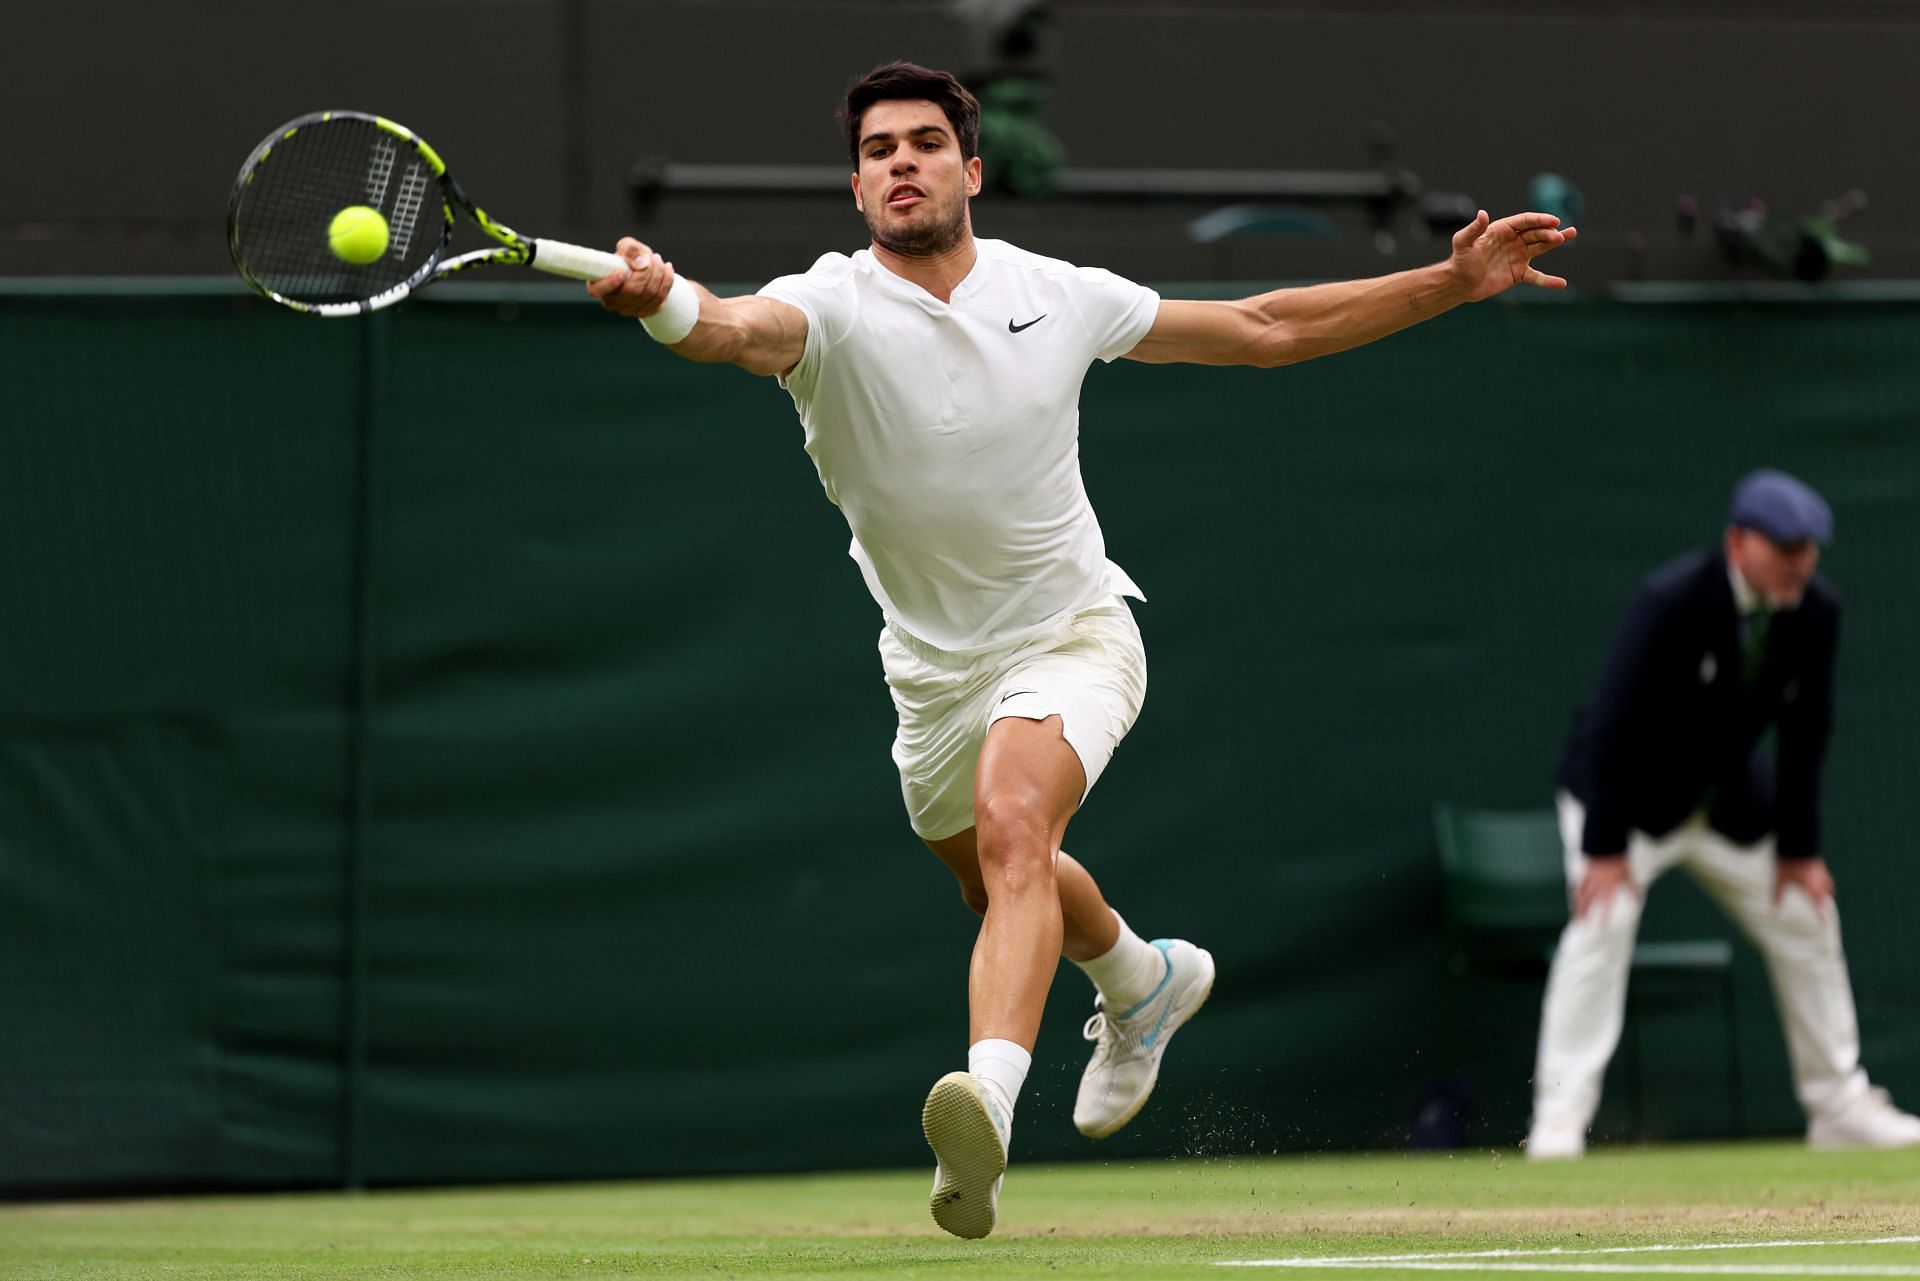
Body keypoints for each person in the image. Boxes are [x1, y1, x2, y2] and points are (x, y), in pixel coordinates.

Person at [590, 61, 1576, 1236]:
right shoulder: (834, 305)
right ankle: (1139, 980)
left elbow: (1264, 327)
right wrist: (663, 301)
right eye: (876, 151)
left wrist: (1451, 283)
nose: (900, 161)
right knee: (992, 878)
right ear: (856, 190)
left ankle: (988, 1120)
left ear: (971, 167)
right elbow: (738, 332)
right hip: (931, 673)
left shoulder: (1056, 293)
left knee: (1016, 827)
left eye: (922, 142)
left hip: (1073, 635)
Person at [1528, 470, 1920, 1159]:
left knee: (1808, 912)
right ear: (1739, 541)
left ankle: (1838, 1105)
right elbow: (1613, 725)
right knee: (1602, 920)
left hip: (1725, 806)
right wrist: (1606, 850)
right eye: (1786, 546)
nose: (1800, 561)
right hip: (1624, 801)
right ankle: (1559, 1120)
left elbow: (1807, 734)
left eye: (1810, 548)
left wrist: (1799, 849)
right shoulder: (1672, 599)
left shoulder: (1816, 611)